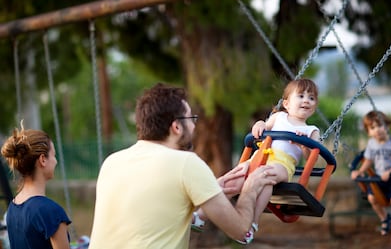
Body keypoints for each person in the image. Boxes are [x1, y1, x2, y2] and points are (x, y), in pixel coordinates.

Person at [88, 83, 278, 249]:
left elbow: (165, 220)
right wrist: (250, 190)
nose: (195, 127)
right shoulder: (186, 163)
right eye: (191, 119)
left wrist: (216, 191)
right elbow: (243, 233)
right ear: (177, 127)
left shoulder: (112, 162)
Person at [194, 78, 320, 243]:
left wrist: (303, 145)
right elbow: (263, 126)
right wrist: (259, 125)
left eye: (311, 98)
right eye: (301, 95)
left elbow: (313, 157)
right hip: (260, 157)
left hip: (282, 164)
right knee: (232, 181)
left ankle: (252, 224)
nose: (306, 100)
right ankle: (200, 216)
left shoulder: (311, 131)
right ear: (287, 104)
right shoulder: (279, 117)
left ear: (315, 106)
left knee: (264, 176)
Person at [0, 123, 72, 249]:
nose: (56, 161)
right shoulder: (51, 212)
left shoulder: (12, 208)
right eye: (54, 155)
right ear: (43, 159)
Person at [350, 110, 391, 238]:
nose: (377, 130)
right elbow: (368, 160)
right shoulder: (372, 144)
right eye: (373, 128)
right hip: (381, 178)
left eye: (380, 126)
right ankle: (385, 217)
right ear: (368, 132)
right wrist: (360, 171)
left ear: (387, 126)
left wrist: (390, 172)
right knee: (372, 198)